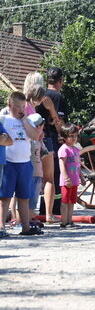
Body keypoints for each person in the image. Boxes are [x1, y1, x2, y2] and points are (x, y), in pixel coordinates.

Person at [0, 92, 42, 236]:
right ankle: (1, 228)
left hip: (24, 163)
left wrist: (24, 121)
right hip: (8, 163)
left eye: (23, 107)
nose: (20, 110)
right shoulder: (4, 119)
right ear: (9, 105)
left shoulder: (28, 121)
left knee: (24, 197)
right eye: (17, 106)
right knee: (5, 197)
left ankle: (26, 228)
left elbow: (35, 136)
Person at [36, 67, 69, 223]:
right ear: (60, 81)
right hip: (52, 141)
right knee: (54, 176)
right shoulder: (56, 97)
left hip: (37, 140)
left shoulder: (38, 95)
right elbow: (60, 122)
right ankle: (53, 209)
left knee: (41, 177)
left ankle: (42, 210)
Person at [57, 123, 85, 228]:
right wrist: (66, 178)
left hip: (74, 180)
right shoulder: (64, 149)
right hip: (67, 180)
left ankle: (70, 221)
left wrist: (81, 176)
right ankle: (64, 222)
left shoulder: (76, 150)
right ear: (64, 137)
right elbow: (62, 164)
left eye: (75, 136)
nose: (74, 138)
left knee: (72, 201)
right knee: (65, 201)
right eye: (71, 136)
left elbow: (78, 165)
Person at [27, 113, 47, 229]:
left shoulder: (39, 141)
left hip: (38, 173)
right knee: (28, 199)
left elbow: (43, 153)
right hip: (30, 173)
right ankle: (26, 220)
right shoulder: (30, 141)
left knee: (34, 199)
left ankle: (31, 218)